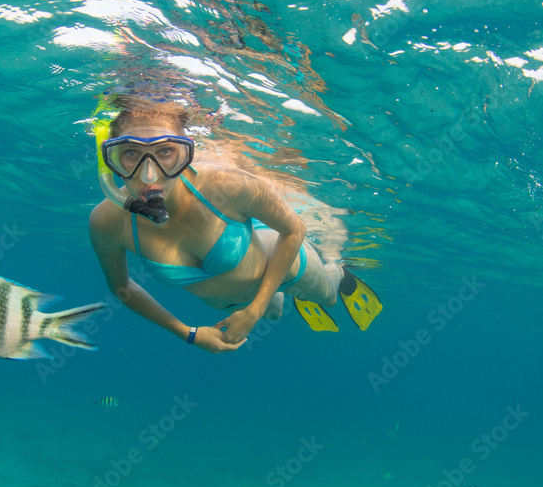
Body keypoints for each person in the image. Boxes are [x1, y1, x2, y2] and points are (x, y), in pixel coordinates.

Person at [88, 97, 380, 354]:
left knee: (328, 299)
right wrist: (187, 333)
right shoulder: (107, 222)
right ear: (109, 159)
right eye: (130, 154)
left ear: (186, 155)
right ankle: (271, 301)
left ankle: (335, 270)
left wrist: (254, 312)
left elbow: (294, 229)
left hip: (287, 267)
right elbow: (121, 287)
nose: (149, 174)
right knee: (274, 314)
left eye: (165, 152)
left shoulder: (226, 183)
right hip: (231, 306)